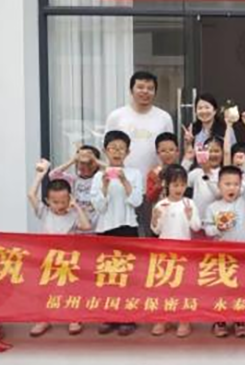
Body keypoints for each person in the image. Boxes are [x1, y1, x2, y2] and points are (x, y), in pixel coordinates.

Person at [105, 71, 174, 237]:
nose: (145, 91)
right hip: (123, 186)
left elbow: (169, 150)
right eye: (140, 87)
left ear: (155, 92)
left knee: (153, 233)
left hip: (154, 188)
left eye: (150, 88)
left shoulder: (164, 117)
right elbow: (108, 150)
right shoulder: (117, 116)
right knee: (124, 234)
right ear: (131, 90)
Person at [27, 160, 92, 337]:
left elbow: (86, 226)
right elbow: (31, 194)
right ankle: (43, 319)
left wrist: (76, 206)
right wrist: (40, 175)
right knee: (45, 289)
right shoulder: (45, 212)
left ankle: (74, 318)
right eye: (55, 202)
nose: (60, 205)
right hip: (47, 257)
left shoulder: (73, 214)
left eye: (63, 201)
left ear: (69, 199)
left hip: (69, 258)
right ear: (48, 201)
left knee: (71, 288)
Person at [90, 130, 144, 336]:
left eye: (121, 148)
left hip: (127, 227)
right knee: (107, 274)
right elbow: (98, 207)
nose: (117, 152)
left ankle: (127, 317)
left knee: (127, 275)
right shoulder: (98, 176)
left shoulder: (134, 173)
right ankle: (109, 315)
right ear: (105, 151)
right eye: (113, 148)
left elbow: (136, 202)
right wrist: (104, 185)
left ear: (128, 152)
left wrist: (125, 182)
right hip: (105, 228)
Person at [203, 165, 245, 338]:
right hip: (222, 256)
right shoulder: (213, 207)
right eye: (227, 184)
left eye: (235, 184)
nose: (231, 188)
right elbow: (207, 230)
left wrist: (244, 165)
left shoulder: (242, 201)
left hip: (242, 255)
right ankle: (220, 320)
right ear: (219, 186)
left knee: (241, 288)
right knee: (221, 288)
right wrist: (218, 228)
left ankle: (239, 320)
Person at [150, 165, 200, 338]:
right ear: (167, 185)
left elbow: (196, 226)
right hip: (165, 253)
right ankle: (163, 318)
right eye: (175, 185)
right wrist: (155, 218)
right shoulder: (161, 204)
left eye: (182, 185)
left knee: (184, 287)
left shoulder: (189, 203)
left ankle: (184, 319)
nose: (179, 188)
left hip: (184, 252)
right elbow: (156, 230)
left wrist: (189, 215)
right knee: (164, 287)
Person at [48, 145, 102, 234]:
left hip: (96, 228)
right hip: (76, 227)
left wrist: (94, 160)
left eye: (90, 163)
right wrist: (73, 160)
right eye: (82, 163)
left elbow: (115, 172)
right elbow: (53, 175)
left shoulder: (100, 179)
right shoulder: (73, 179)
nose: (86, 166)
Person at [145, 132, 182, 209]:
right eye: (163, 151)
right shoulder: (153, 173)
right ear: (157, 153)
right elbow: (150, 198)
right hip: (160, 212)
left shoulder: (182, 171)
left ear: (177, 151)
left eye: (171, 150)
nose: (167, 153)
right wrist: (158, 185)